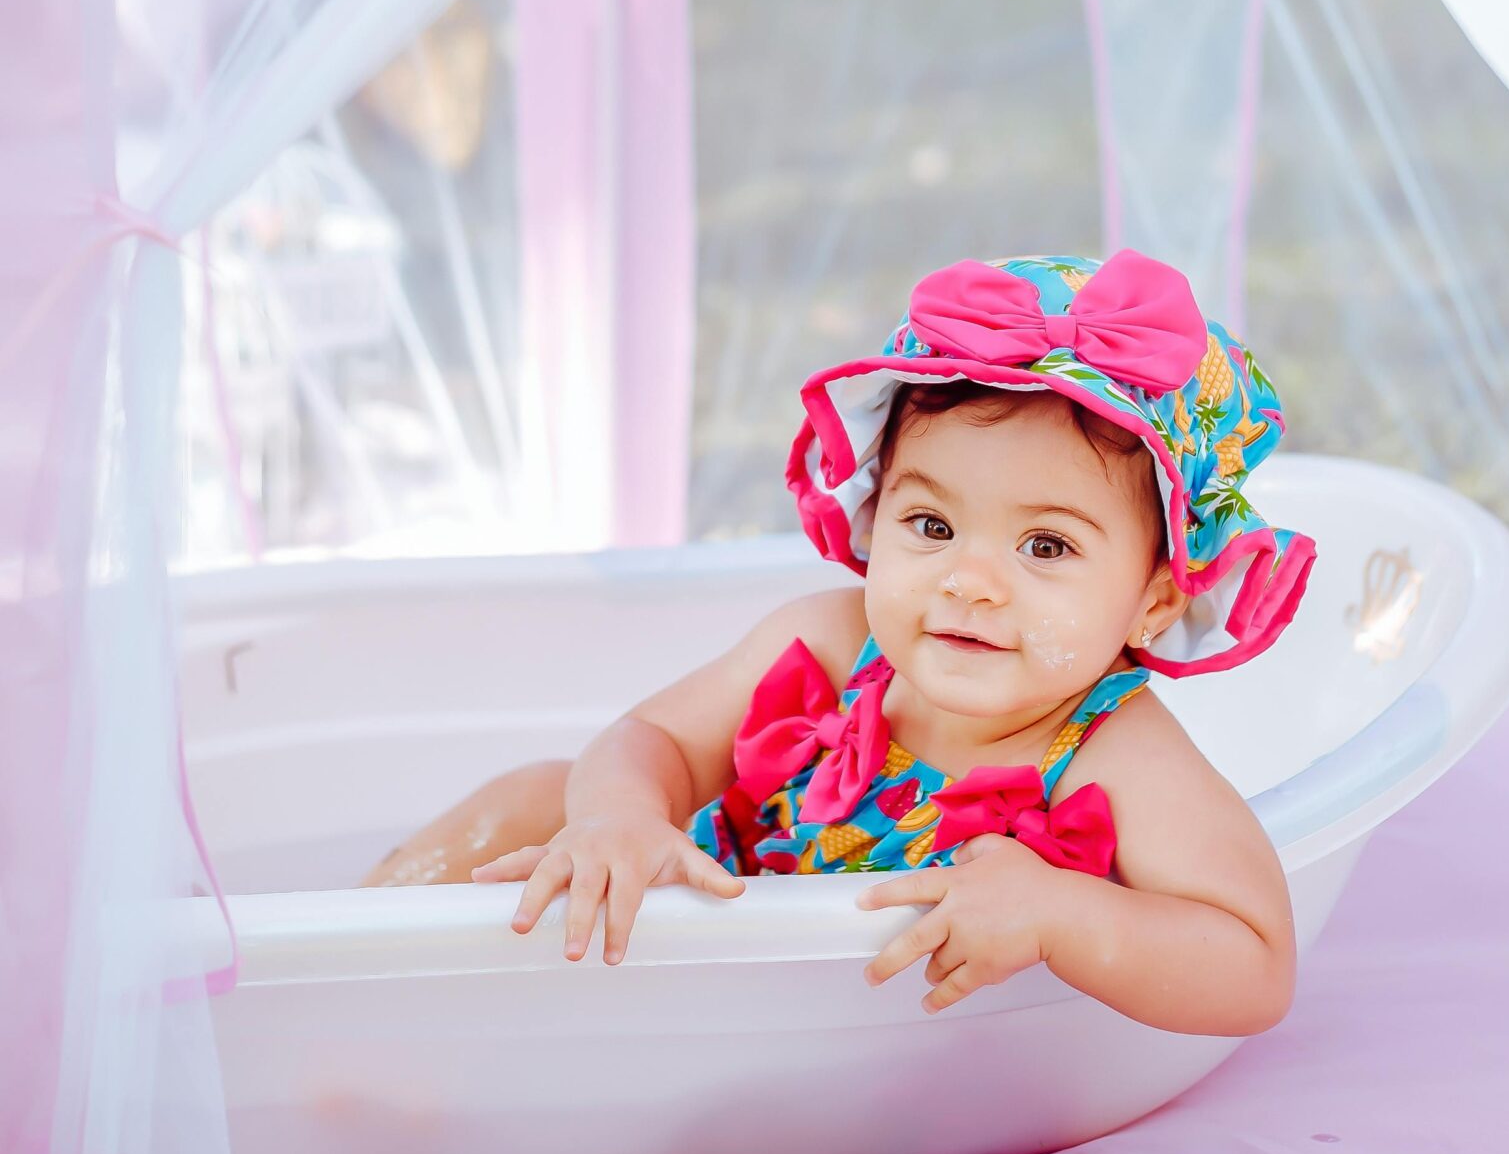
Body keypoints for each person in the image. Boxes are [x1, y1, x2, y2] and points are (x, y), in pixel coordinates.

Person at [367, 251, 1316, 1032]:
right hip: (676, 943)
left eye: (1045, 545)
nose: (968, 581)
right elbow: (649, 740)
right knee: (540, 793)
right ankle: (347, 962)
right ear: (874, 513)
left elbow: (1253, 961)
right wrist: (623, 818)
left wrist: (1067, 914)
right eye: (933, 527)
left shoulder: (1114, 752)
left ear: (1155, 599)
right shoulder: (829, 642)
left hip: (821, 1038)